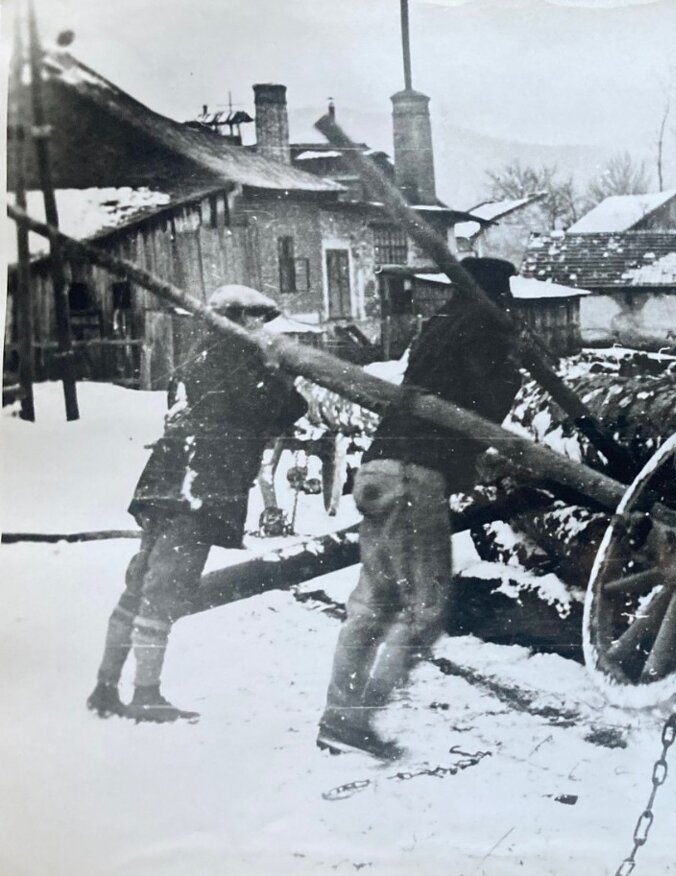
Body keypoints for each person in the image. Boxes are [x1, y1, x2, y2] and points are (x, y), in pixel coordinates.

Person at [317, 257, 524, 760]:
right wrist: (512, 371)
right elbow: (485, 403)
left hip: (378, 469)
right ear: (497, 294)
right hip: (416, 476)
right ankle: (356, 722)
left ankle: (338, 716)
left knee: (371, 604)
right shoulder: (484, 327)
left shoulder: (437, 328)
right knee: (425, 611)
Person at [86, 285, 307, 723]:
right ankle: (145, 695)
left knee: (140, 584)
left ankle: (106, 687)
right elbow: (282, 408)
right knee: (164, 591)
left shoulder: (195, 358)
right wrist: (283, 375)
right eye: (256, 320)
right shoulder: (241, 361)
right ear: (239, 319)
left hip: (164, 484)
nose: (261, 329)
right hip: (199, 487)